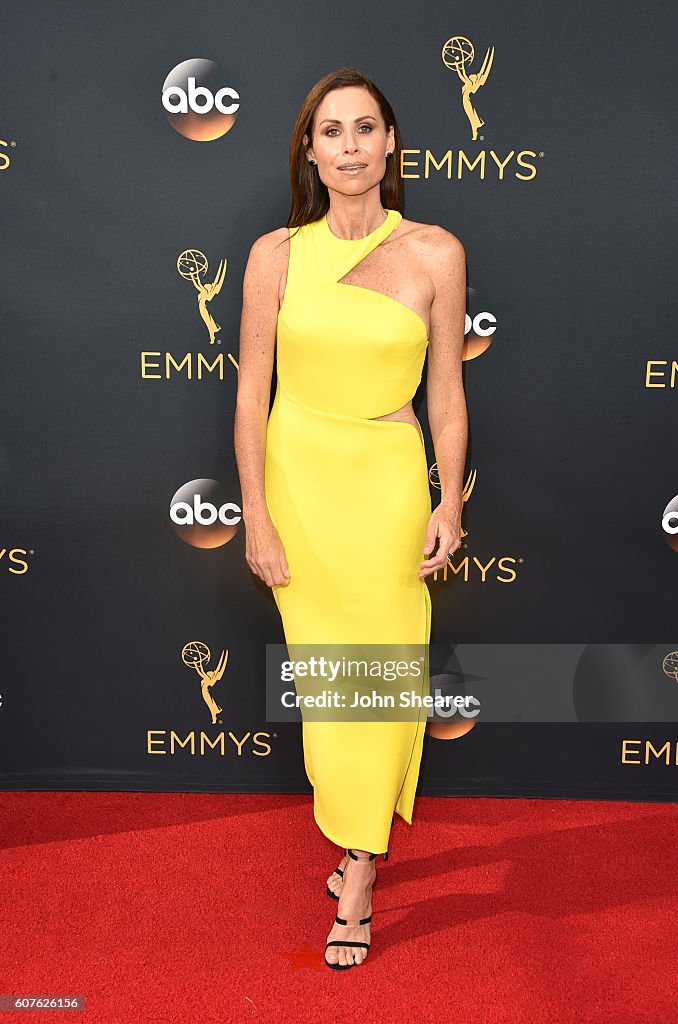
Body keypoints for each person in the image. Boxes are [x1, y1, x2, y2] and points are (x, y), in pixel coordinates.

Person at [234, 66, 467, 969]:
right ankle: (356, 832)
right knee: (332, 687)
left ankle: (361, 869)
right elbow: (253, 395)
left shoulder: (437, 253)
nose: (349, 147)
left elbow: (446, 395)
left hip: (386, 483)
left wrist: (449, 497)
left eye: (365, 129)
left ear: (391, 143)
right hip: (301, 483)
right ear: (310, 150)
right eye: (330, 132)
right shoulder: (274, 257)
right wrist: (255, 515)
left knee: (384, 677)